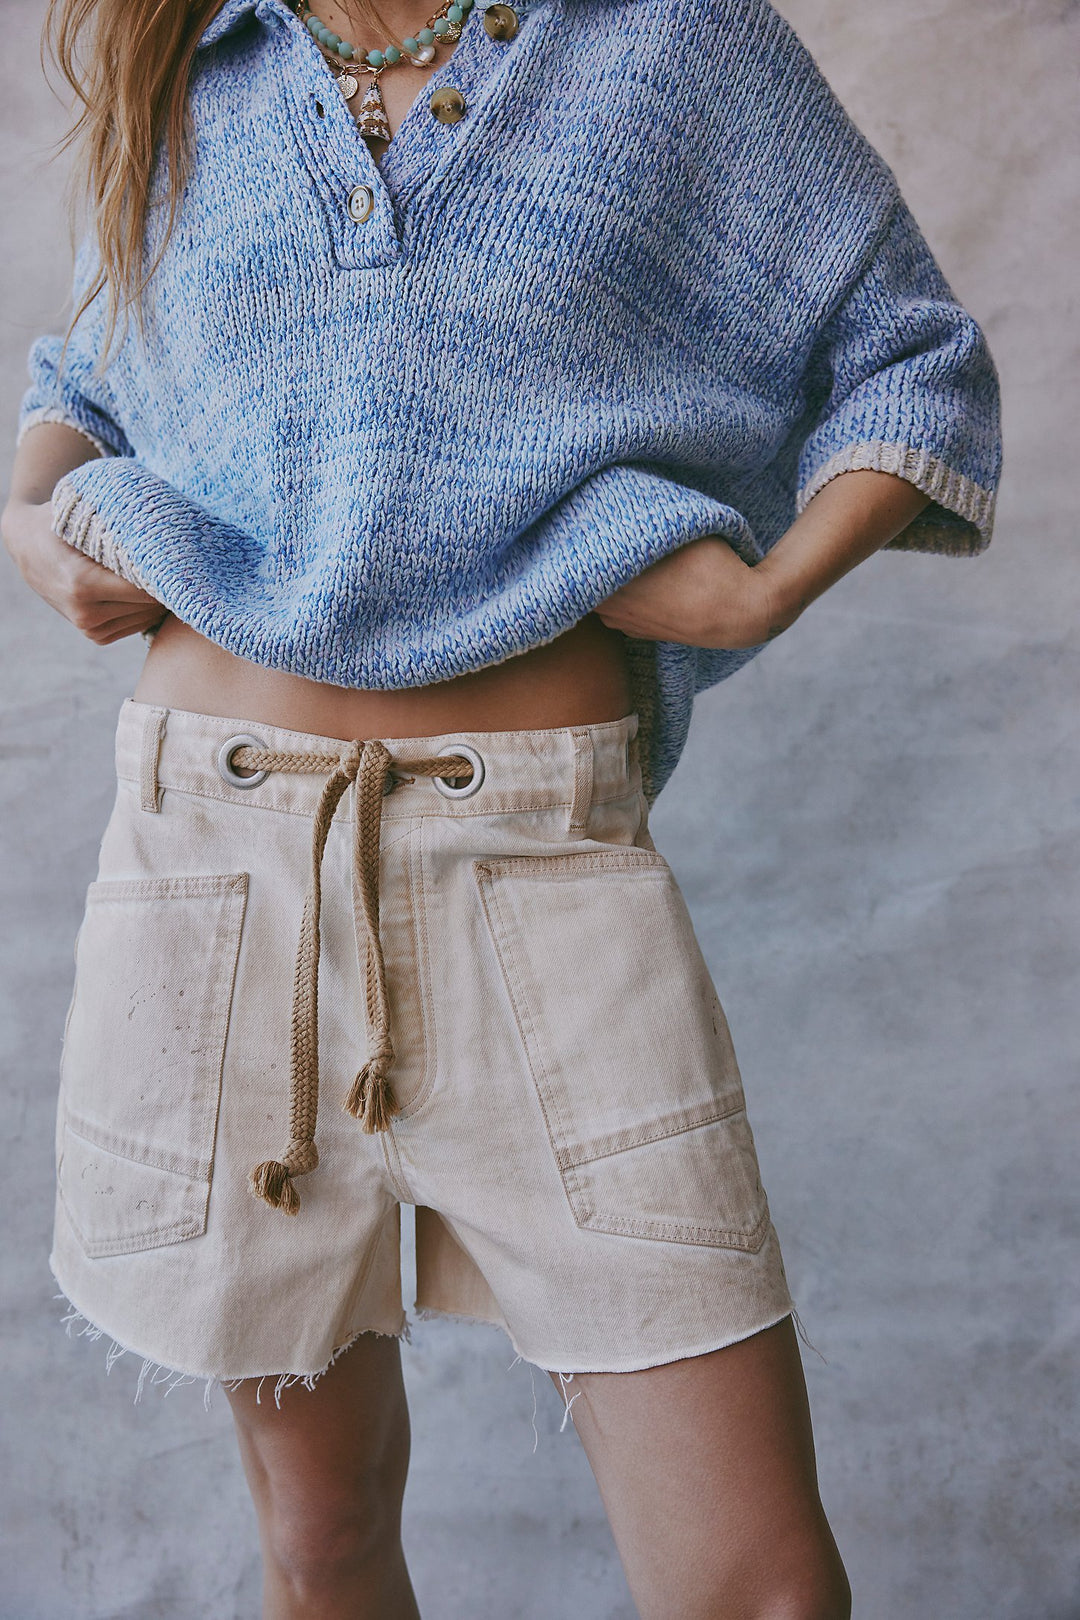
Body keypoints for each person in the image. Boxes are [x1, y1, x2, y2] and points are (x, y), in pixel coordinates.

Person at [2, 0, 1001, 1609]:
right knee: (323, 1545)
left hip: (535, 867)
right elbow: (89, 376)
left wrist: (766, 594)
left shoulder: (672, 44)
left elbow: (913, 354)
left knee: (758, 1586)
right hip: (212, 870)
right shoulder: (192, 62)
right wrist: (29, 513)